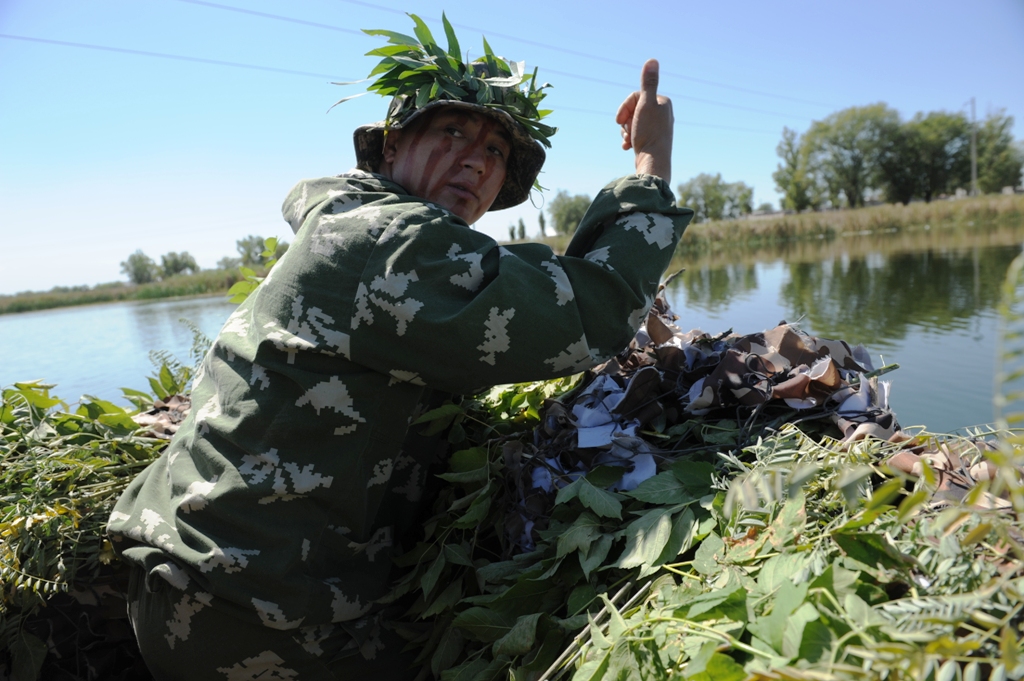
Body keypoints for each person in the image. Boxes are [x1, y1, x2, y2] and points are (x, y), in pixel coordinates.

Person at [107, 17, 693, 680]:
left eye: (496, 150)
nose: (477, 160)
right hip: (245, 613)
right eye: (453, 132)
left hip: (200, 582)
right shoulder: (387, 242)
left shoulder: (354, 220)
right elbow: (587, 312)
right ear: (390, 148)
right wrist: (652, 163)